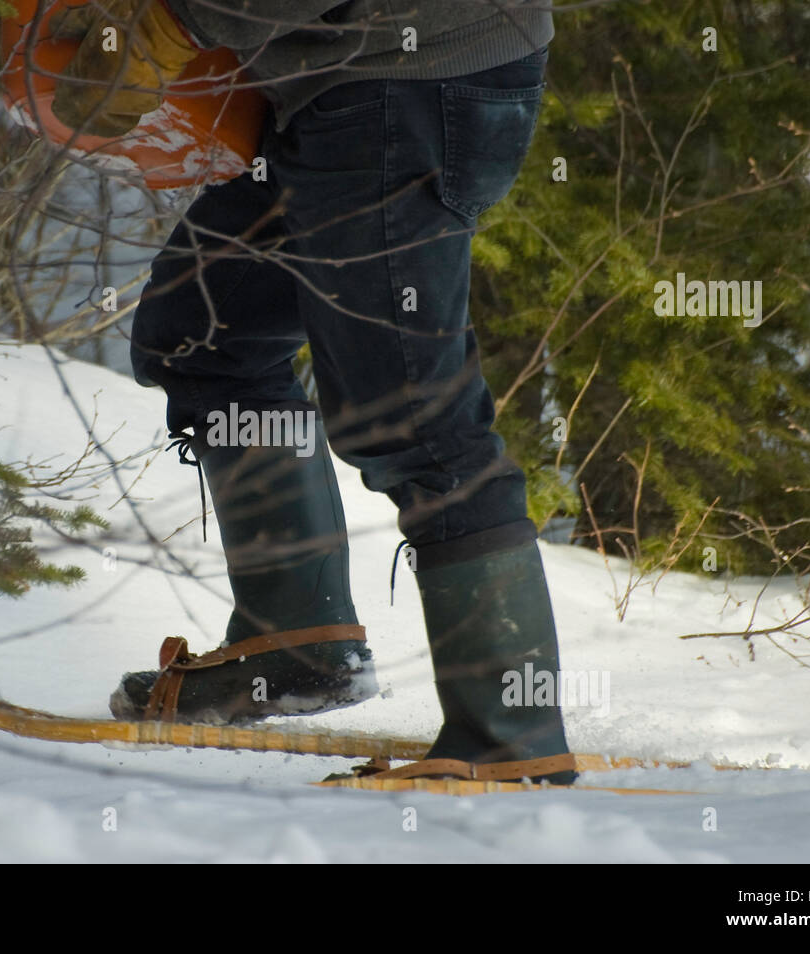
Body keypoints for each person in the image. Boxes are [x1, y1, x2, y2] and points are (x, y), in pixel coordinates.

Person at [51, 0, 576, 785]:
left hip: (410, 78)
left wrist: (173, 23)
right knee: (206, 333)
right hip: (338, 80)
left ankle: (511, 732)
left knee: (412, 413)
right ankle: (294, 649)